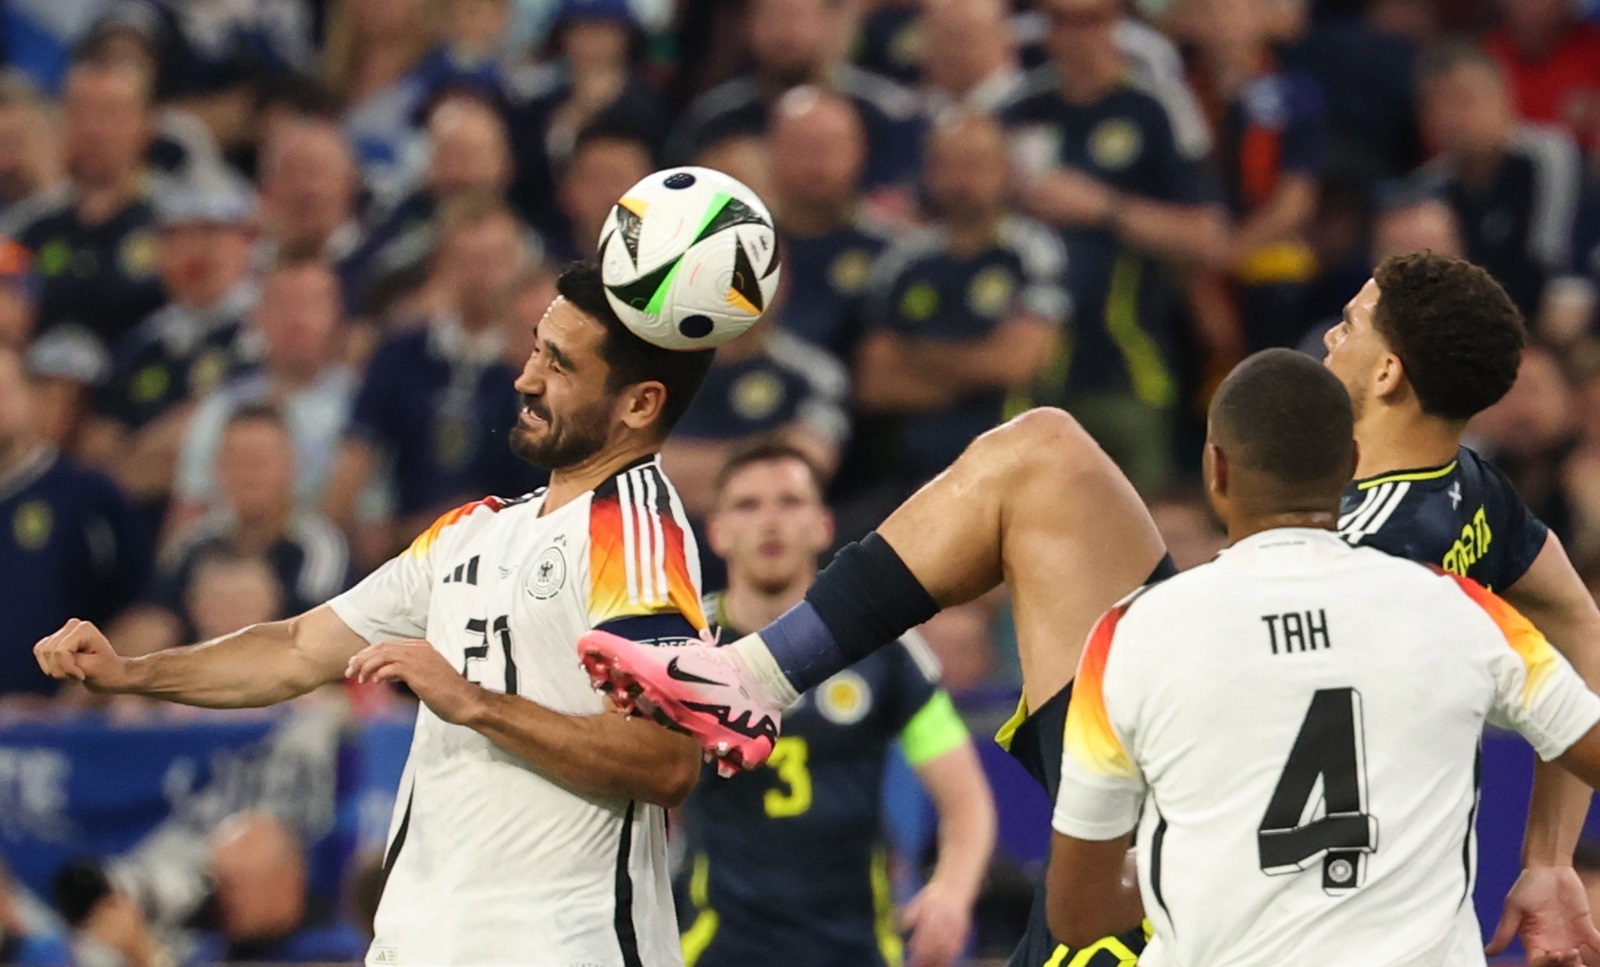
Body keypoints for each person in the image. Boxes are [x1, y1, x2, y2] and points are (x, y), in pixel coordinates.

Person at [581, 252, 1600, 963]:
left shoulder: (1353, 551)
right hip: (1319, 875)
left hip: (1182, 821)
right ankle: (751, 678)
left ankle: (753, 673)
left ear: (1384, 374)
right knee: (1047, 455)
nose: (1326, 338)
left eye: (1347, 325)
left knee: (1037, 458)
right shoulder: (1470, 497)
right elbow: (1579, 622)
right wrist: (1548, 857)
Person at [35, 260, 718, 966]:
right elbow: (297, 647)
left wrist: (472, 702)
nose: (526, 378)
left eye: (561, 365)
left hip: (561, 944)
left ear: (639, 405)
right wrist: (130, 672)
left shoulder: (634, 532)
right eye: (536, 348)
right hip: (427, 941)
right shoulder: (473, 530)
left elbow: (666, 759)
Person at [1045, 347, 1600, 965]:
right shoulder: (1459, 607)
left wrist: (1211, 858)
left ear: (1216, 471)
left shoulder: (1129, 632)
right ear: (1353, 466)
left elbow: (1078, 911)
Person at [676, 441, 995, 967]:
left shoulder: (883, 648)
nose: (771, 522)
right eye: (748, 505)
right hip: (716, 945)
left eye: (790, 502)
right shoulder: (686, 653)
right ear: (718, 531)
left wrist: (951, 895)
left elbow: (967, 803)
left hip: (854, 946)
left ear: (823, 525)